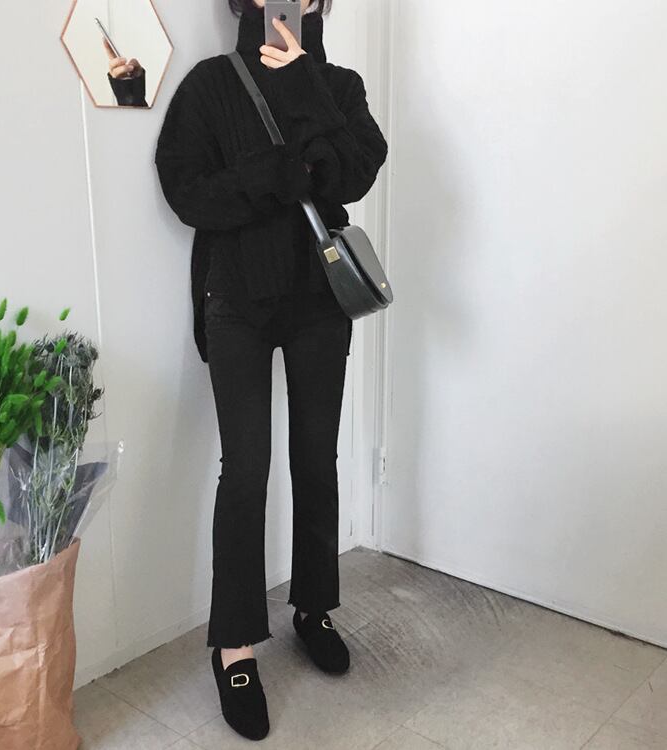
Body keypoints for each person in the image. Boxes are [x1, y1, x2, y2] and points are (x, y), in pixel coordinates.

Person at [154, 0, 387, 740]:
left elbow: (357, 170)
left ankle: (313, 608)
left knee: (316, 460)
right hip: (238, 302)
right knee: (246, 469)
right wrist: (279, 175)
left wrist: (305, 83)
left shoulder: (338, 85)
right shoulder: (210, 84)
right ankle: (234, 644)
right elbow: (187, 190)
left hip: (319, 300)